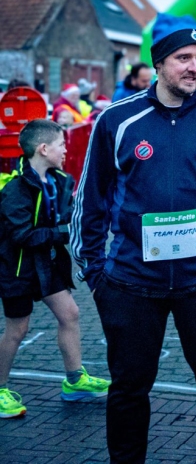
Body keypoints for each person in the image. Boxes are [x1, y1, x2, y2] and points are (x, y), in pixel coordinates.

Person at [71, 13, 196, 464]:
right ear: (158, 63)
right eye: (182, 58)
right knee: (129, 385)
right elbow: (89, 201)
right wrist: (95, 274)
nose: (194, 67)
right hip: (131, 283)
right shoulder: (117, 120)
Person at [0, 120, 109, 419]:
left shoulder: (60, 181)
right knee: (17, 329)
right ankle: (0, 388)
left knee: (70, 314)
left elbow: (70, 215)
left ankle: (74, 381)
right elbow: (22, 236)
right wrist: (64, 232)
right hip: (17, 269)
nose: (66, 149)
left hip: (46, 266)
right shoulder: (15, 190)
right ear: (43, 149)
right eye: (61, 144)